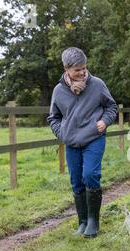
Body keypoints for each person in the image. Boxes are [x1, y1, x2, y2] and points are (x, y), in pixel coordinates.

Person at [47, 47, 118, 238]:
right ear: (66, 68)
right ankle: (83, 222)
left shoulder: (97, 84)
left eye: (84, 68)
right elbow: (53, 117)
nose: (82, 72)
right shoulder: (59, 90)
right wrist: (62, 133)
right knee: (76, 181)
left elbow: (111, 106)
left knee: (90, 175)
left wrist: (104, 121)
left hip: (94, 137)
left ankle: (94, 221)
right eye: (77, 69)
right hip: (71, 142)